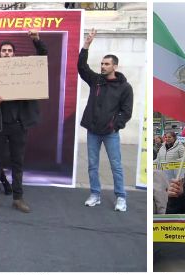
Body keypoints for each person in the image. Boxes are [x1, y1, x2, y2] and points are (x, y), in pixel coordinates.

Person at [0, 30, 47, 213]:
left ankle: (18, 198)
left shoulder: (23, 71)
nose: (7, 53)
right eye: (4, 51)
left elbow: (42, 60)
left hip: (19, 125)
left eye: (9, 50)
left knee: (18, 163)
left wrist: (37, 41)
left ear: (14, 54)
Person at [79, 29, 133, 212]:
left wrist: (114, 125)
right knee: (92, 165)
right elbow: (81, 67)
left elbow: (126, 112)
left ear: (114, 66)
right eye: (102, 63)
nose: (102, 66)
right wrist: (86, 45)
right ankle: (95, 194)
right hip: (93, 131)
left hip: (111, 133)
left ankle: (121, 197)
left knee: (116, 166)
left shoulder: (125, 87)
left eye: (106, 64)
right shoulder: (96, 80)